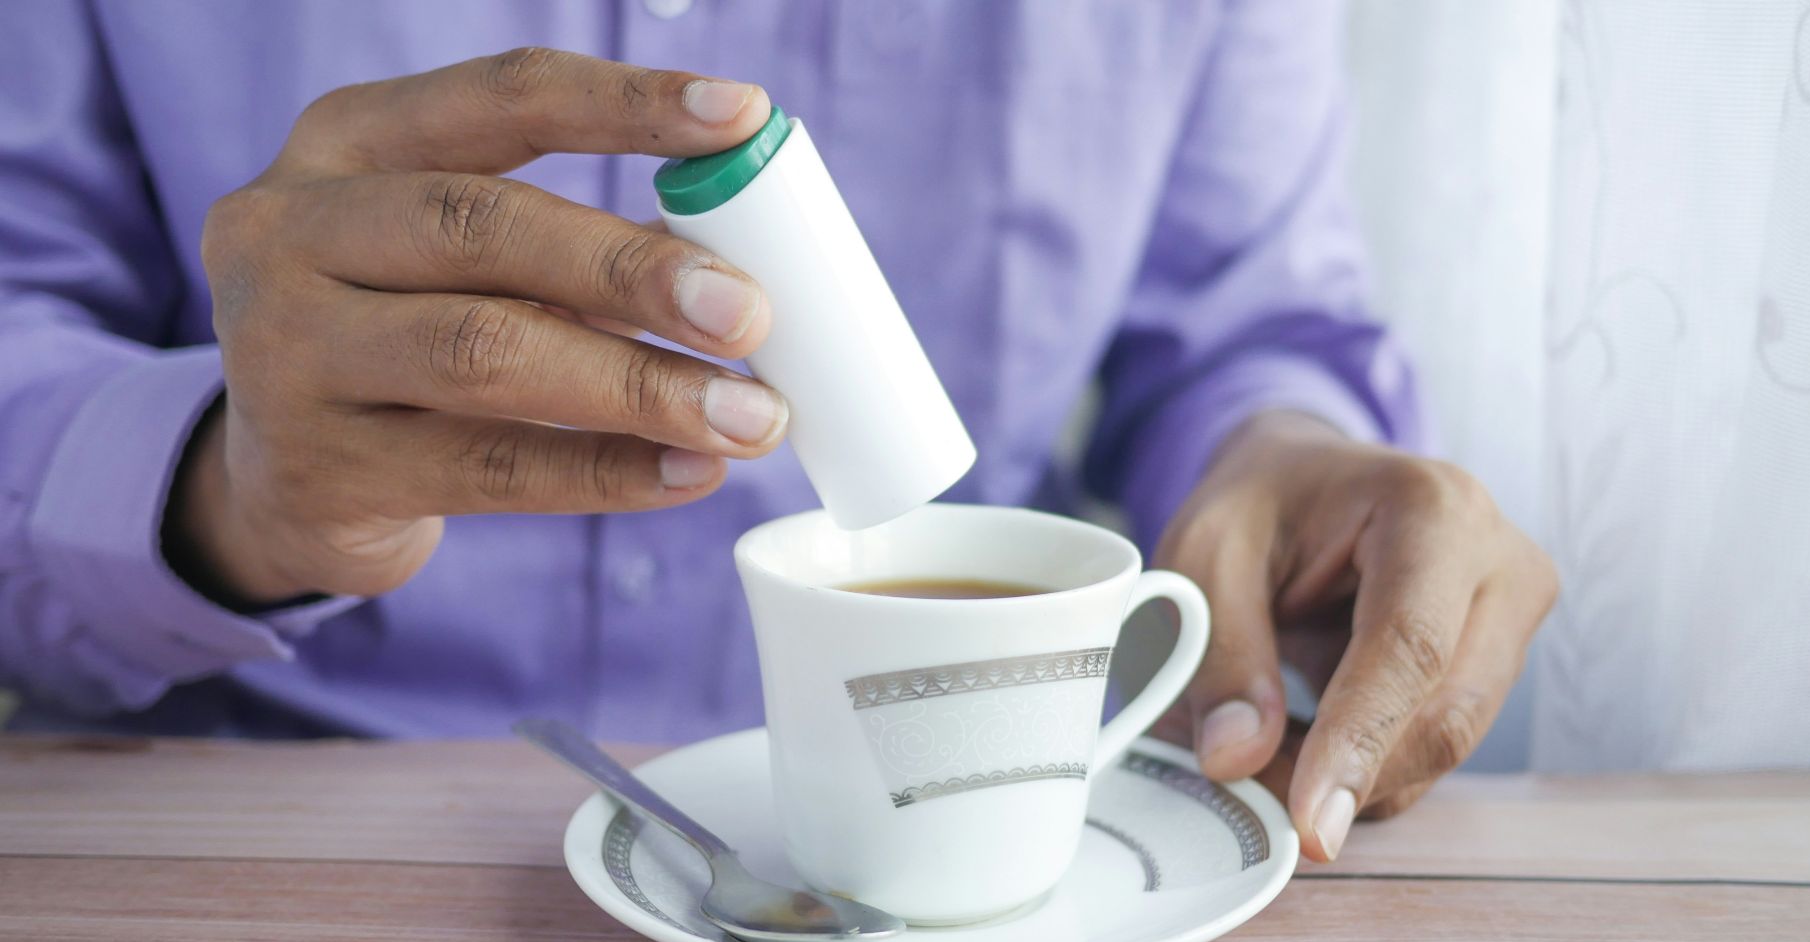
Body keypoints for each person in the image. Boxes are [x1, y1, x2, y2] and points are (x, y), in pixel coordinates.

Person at [0, 1, 1554, 862]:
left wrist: (1282, 458)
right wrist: (234, 491)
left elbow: (1241, 327)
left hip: (983, 899)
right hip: (283, 853)